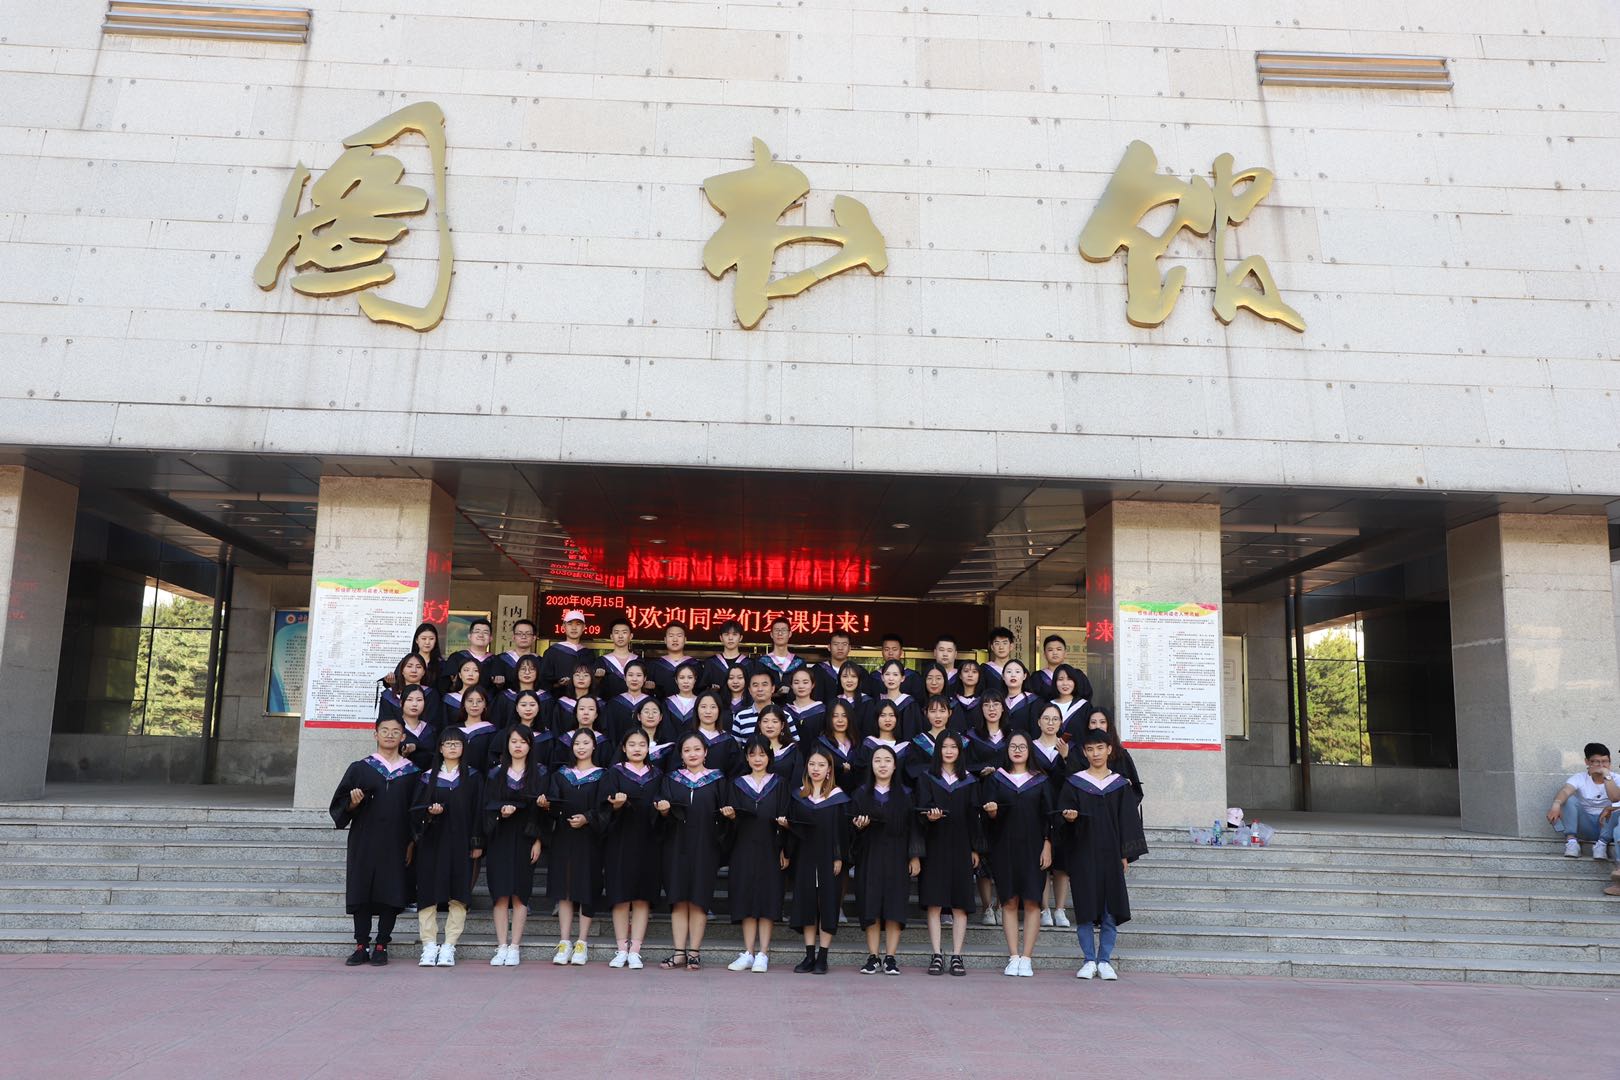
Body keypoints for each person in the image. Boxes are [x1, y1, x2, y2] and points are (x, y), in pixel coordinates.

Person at [329, 716, 421, 967]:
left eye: (395, 731)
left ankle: (382, 944)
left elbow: (416, 812)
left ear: (403, 737)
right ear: (375, 734)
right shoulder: (360, 768)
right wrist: (352, 803)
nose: (390, 735)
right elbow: (339, 806)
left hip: (397, 841)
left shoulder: (412, 773)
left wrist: (412, 842)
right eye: (384, 730)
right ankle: (361, 945)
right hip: (364, 840)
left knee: (392, 890)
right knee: (361, 891)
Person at [1058, 729, 1148, 981]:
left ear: (1109, 750)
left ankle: (1105, 960)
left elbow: (1128, 821)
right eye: (1090, 749)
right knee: (1085, 909)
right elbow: (1062, 818)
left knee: (1110, 910)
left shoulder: (1119, 785)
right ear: (1084, 753)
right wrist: (1069, 818)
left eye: (1100, 748)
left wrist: (1125, 855)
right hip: (1082, 853)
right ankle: (1089, 960)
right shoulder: (1074, 782)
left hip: (1111, 855)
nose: (1095, 753)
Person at [410, 726, 483, 968]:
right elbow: (415, 811)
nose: (452, 747)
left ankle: (449, 945)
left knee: (459, 894)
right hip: (432, 843)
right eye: (447, 743)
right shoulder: (426, 777)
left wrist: (477, 842)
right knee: (428, 893)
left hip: (461, 843)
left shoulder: (473, 777)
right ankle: (429, 945)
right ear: (440, 748)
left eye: (457, 743)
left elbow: (478, 812)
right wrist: (429, 813)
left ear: (464, 748)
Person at [982, 732, 1053, 977]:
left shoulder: (1041, 780)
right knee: (1009, 901)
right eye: (1013, 746)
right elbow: (989, 817)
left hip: (1034, 848)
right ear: (1007, 750)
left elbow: (1049, 816)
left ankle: (1027, 958)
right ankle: (1013, 956)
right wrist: (991, 812)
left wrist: (1048, 844)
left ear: (1029, 751)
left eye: (1023, 746)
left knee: (1032, 901)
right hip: (1005, 848)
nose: (1018, 750)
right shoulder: (997, 779)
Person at [657, 734, 728, 971]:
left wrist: (729, 816)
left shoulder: (718, 779)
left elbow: (724, 814)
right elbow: (660, 815)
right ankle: (679, 952)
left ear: (705, 752)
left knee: (699, 899)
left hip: (705, 846)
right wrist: (663, 811)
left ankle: (694, 952)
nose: (692, 754)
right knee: (678, 899)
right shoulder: (671, 779)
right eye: (687, 750)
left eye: (697, 749)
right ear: (681, 755)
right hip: (676, 845)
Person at [916, 732, 983, 976]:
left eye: (954, 747)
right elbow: (920, 811)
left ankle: (956, 955)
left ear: (960, 751)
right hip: (934, 846)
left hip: (962, 846)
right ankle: (936, 954)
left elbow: (974, 817)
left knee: (960, 904)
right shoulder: (927, 778)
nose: (949, 751)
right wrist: (929, 817)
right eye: (944, 747)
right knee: (934, 903)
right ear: (938, 750)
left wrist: (975, 848)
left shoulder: (969, 781)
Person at [722, 735, 790, 972]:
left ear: (769, 757)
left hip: (771, 847)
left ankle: (763, 953)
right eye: (752, 754)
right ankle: (748, 952)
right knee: (746, 897)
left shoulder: (780, 784)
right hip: (743, 847)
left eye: (762, 754)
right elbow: (728, 825)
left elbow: (785, 817)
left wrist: (784, 849)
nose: (757, 759)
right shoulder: (737, 784)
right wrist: (731, 818)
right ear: (746, 758)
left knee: (767, 898)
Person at [851, 745, 918, 975]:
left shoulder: (906, 794)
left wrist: (914, 855)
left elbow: (913, 828)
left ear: (895, 765)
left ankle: (890, 957)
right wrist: (859, 827)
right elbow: (851, 829)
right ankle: (873, 957)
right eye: (877, 760)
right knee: (870, 904)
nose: (882, 765)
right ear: (871, 765)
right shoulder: (861, 794)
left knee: (894, 905)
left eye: (887, 760)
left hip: (898, 855)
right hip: (869, 855)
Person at [786, 748, 853, 974]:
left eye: (821, 765)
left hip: (828, 858)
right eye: (812, 764)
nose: (816, 769)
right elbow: (794, 831)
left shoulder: (837, 798)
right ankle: (809, 956)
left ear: (829, 770)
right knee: (807, 905)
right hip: (804, 858)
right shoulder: (798, 796)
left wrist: (838, 856)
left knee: (827, 905)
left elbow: (841, 832)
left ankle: (823, 957)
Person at [483, 726, 546, 967]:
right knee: (500, 895)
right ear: (507, 745)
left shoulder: (539, 774)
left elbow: (541, 813)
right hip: (499, 837)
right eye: (513, 741)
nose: (518, 746)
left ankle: (515, 946)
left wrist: (538, 840)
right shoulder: (495, 774)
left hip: (526, 838)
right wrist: (500, 812)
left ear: (530, 745)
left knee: (520, 895)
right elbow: (485, 806)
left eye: (523, 742)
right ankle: (501, 945)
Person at [545, 728, 607, 967]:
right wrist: (546, 805)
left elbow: (605, 809)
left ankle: (582, 942)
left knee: (586, 886)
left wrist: (587, 818)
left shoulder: (602, 776)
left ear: (594, 746)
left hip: (590, 838)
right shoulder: (561, 775)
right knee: (565, 887)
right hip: (563, 836)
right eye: (577, 743)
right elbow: (553, 805)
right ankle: (564, 941)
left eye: (586, 743)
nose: (581, 747)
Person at [602, 728, 662, 969]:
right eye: (632, 744)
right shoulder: (613, 773)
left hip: (648, 840)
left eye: (642, 744)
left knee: (641, 896)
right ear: (624, 748)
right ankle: (621, 948)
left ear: (648, 749)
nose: (637, 748)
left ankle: (635, 950)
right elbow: (603, 808)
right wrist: (615, 806)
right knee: (620, 895)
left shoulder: (657, 774)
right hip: (620, 840)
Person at [1030, 702, 1073, 928]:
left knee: (1062, 863)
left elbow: (1075, 779)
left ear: (1060, 723)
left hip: (1062, 809)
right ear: (1038, 721)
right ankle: (1044, 908)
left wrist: (1066, 758)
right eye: (1046, 718)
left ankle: (1060, 909)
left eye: (1055, 719)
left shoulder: (1067, 748)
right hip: (1037, 809)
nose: (1050, 723)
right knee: (1042, 862)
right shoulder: (1030, 747)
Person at [1547, 743, 1618, 859]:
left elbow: (1615, 798)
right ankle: (1572, 842)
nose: (1601, 765)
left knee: (1617, 807)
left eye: (1605, 761)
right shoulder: (1580, 778)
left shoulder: (1617, 778)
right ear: (1587, 762)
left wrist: (1606, 775)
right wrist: (1556, 805)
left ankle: (1601, 845)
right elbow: (1565, 791)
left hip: (1608, 826)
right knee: (1567, 799)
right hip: (1586, 825)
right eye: (1596, 761)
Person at [1074, 707, 1142, 800]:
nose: (1098, 726)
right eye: (1093, 722)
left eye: (1102, 722)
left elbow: (1135, 790)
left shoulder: (1121, 755)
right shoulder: (1079, 753)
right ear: (1088, 726)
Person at [853, 699, 911, 790]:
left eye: (891, 715)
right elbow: (861, 775)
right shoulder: (868, 744)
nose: (887, 719)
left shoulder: (905, 747)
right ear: (876, 718)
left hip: (899, 794)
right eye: (883, 715)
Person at [380, 653, 443, 733]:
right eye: (409, 666)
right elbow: (384, 724)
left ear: (424, 672)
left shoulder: (431, 694)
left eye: (418, 667)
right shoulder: (389, 695)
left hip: (424, 738)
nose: (414, 670)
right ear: (402, 670)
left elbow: (433, 723)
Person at [539, 610, 598, 693]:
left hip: (583, 698)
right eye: (570, 624)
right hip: (558, 698)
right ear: (564, 626)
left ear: (584, 627)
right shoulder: (552, 652)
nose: (574, 628)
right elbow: (543, 681)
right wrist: (558, 683)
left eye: (578, 624)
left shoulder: (588, 654)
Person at [552, 694, 610, 769]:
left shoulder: (603, 742)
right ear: (576, 713)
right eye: (582, 709)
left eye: (591, 709)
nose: (586, 713)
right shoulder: (564, 740)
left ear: (596, 715)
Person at [620, 696, 676, 773]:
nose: (650, 716)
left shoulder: (668, 747)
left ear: (660, 717)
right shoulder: (628, 741)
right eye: (646, 712)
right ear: (639, 716)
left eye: (654, 712)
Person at [907, 694, 954, 787]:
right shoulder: (919, 741)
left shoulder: (959, 741)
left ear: (950, 713)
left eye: (942, 711)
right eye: (932, 711)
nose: (938, 716)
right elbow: (913, 769)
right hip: (927, 787)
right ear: (926, 713)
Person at [751, 617, 806, 696]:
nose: (780, 633)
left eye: (783, 630)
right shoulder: (761, 662)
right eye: (776, 630)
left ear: (790, 634)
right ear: (771, 634)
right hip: (768, 703)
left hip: (794, 703)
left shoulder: (799, 663)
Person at [690, 689, 739, 776]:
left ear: (719, 710)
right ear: (696, 710)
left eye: (713, 707)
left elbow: (735, 772)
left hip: (722, 784)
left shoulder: (728, 741)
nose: (708, 711)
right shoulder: (687, 739)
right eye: (703, 707)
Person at [605, 659, 654, 742]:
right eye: (630, 675)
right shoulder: (614, 703)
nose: (634, 679)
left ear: (645, 678)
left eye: (639, 675)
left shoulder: (651, 703)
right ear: (625, 677)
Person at [1033, 635, 1092, 704]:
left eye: (1059, 649)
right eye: (1050, 650)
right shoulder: (1037, 677)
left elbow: (1086, 696)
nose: (1055, 653)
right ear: (1044, 654)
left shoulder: (1077, 675)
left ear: (1065, 653)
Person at [816, 699, 860, 791]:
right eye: (835, 716)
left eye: (844, 715)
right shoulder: (820, 745)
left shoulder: (858, 744)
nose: (840, 720)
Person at [544, 662, 598, 737]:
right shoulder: (562, 704)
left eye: (586, 675)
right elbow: (556, 729)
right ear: (572, 679)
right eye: (577, 675)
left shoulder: (598, 704)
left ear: (591, 679)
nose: (581, 678)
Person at [494, 654, 547, 729]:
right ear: (517, 671)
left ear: (537, 672)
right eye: (523, 669)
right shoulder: (505, 698)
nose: (527, 672)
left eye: (532, 669)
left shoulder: (546, 699)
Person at [508, 690, 555, 774]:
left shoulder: (547, 737)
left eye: (532, 705)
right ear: (517, 708)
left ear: (538, 708)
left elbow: (550, 764)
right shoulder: (506, 734)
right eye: (523, 705)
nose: (528, 709)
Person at [444, 617, 496, 691]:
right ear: (469, 636)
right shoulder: (456, 658)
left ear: (491, 638)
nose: (481, 635)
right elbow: (446, 686)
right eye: (477, 631)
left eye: (485, 632)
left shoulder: (496, 661)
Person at [874, 659, 922, 739]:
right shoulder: (877, 701)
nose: (891, 678)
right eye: (887, 674)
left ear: (902, 678)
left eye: (895, 675)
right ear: (882, 677)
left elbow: (912, 732)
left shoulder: (909, 704)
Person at [731, 668, 783, 742]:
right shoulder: (741, 717)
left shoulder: (784, 715)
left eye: (764, 685)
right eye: (755, 685)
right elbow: (735, 746)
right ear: (749, 690)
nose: (760, 689)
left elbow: (792, 746)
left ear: (772, 688)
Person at [394, 684, 437, 772]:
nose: (414, 704)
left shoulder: (431, 730)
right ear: (401, 703)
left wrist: (416, 746)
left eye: (419, 700)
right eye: (409, 700)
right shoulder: (393, 728)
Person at [864, 634, 922, 698]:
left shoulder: (913, 676)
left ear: (901, 652)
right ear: (882, 652)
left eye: (894, 649)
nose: (890, 653)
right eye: (886, 649)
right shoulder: (874, 677)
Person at [596, 614, 640, 700]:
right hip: (608, 705)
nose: (620, 636)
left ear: (631, 636)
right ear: (611, 636)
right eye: (616, 632)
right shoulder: (602, 662)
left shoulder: (638, 661)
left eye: (624, 632)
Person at [701, 619, 751, 692]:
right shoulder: (711, 663)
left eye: (734, 634)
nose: (730, 638)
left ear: (740, 638)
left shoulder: (750, 664)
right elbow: (703, 689)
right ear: (721, 638)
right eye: (726, 634)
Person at [648, 621, 694, 698]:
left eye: (679, 636)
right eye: (671, 636)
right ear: (665, 640)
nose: (675, 639)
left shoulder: (694, 665)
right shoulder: (655, 665)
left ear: (685, 640)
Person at [491, 618, 539, 692]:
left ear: (534, 638)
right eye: (519, 633)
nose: (523, 637)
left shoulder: (540, 661)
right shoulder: (501, 660)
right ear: (513, 637)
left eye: (528, 634)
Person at [812, 630, 858, 704]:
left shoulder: (859, 671)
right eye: (836, 644)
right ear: (829, 647)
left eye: (844, 644)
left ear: (850, 648)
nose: (840, 648)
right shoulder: (818, 670)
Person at [784, 668, 827, 744]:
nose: (801, 686)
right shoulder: (785, 711)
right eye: (796, 682)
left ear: (813, 685)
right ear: (791, 685)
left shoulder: (822, 711)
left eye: (805, 682)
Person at [1001, 660, 1042, 735]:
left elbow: (1035, 731)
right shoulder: (999, 701)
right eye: (1009, 672)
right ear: (1003, 676)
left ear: (1024, 676)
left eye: (1017, 672)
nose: (1013, 675)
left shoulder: (1034, 701)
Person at [405, 621, 445, 694]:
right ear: (417, 640)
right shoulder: (407, 661)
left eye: (431, 639)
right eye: (423, 638)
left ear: (436, 640)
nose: (427, 642)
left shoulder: (441, 664)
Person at [1048, 663, 1092, 728]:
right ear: (1055, 682)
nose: (1065, 683)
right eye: (1060, 679)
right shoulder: (1047, 705)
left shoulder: (1084, 706)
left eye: (1069, 679)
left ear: (1075, 682)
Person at [662, 661, 702, 730]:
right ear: (676, 680)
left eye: (690, 677)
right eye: (682, 677)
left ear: (695, 679)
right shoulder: (667, 703)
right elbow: (665, 728)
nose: (686, 681)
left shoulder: (701, 702)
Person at [980, 626, 1016, 696]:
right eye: (997, 643)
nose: (1001, 647)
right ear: (992, 647)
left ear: (1011, 646)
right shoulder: (984, 670)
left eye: (1005, 643)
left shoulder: (1019, 669)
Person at [950, 659, 983, 734]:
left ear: (979, 676)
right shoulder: (951, 700)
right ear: (960, 676)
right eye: (966, 671)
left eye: (974, 672)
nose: (970, 675)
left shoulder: (984, 700)